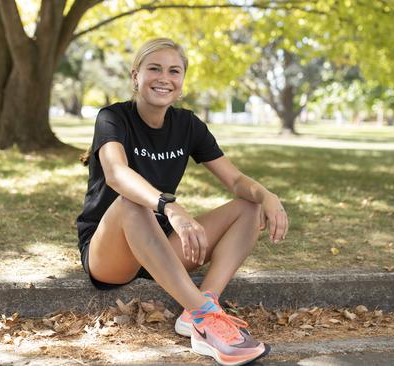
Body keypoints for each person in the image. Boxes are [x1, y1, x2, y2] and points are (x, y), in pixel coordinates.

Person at [76, 37, 288, 366]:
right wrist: (169, 206)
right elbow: (117, 175)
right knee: (134, 202)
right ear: (136, 76)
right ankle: (208, 322)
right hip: (111, 252)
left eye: (174, 71)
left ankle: (201, 307)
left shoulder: (187, 124)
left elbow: (234, 180)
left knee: (249, 206)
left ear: (182, 80)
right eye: (154, 69)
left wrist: (265, 194)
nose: (165, 77)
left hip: (160, 246)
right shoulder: (112, 118)